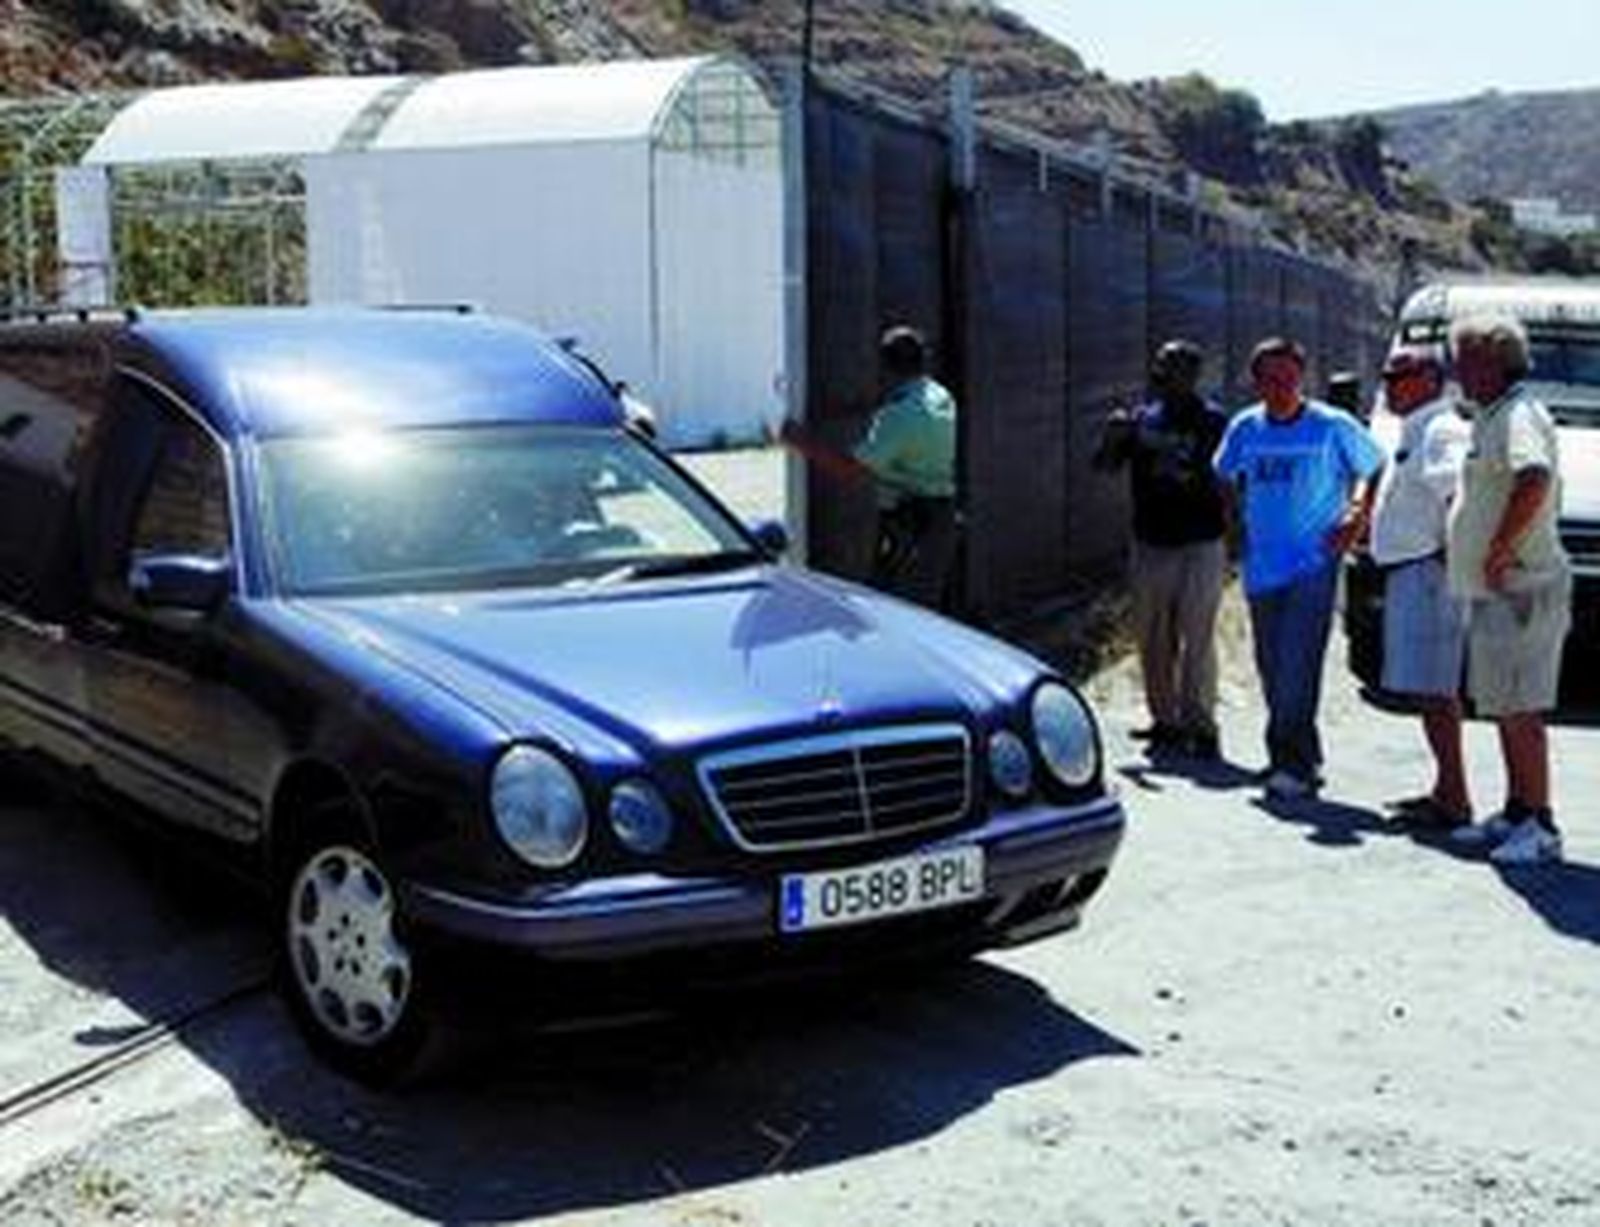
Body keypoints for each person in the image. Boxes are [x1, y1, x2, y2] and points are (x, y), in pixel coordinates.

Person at [1214, 337, 1385, 799]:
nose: (1282, 387)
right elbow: (1223, 475)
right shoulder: (1246, 426)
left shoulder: (1331, 425)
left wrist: (1356, 512)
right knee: (1272, 665)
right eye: (1271, 379)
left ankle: (1292, 764)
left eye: (1290, 378)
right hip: (1262, 564)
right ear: (1256, 382)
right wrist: (1235, 526)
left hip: (1313, 562)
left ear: (1302, 378)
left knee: (1298, 664)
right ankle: (1298, 757)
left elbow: (1373, 465)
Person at [1445, 315, 1571, 865]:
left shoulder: (1520, 414)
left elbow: (1534, 477)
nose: (1458, 371)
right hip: (1496, 590)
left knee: (1522, 710)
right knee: (1502, 704)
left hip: (1523, 584)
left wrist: (1499, 547)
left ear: (1495, 363)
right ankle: (1517, 810)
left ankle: (1541, 825)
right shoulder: (1491, 415)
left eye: (1467, 360)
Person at [1094, 339, 1229, 758]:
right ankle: (1165, 721)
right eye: (1162, 366)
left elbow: (1228, 478)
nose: (1165, 374)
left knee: (1197, 636)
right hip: (1152, 540)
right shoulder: (1141, 419)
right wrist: (1112, 438)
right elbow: (1105, 466)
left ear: (1194, 374)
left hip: (1201, 540)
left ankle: (1201, 724)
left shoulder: (1213, 421)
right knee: (1153, 637)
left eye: (1175, 367)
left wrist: (1236, 533)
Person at [1367, 349, 1474, 827]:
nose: (1390, 384)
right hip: (1414, 571)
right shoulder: (1415, 427)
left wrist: (1449, 555)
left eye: (1401, 376)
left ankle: (1455, 799)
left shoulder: (1440, 429)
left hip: (1429, 572)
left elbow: (1457, 492)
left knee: (1437, 691)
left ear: (1431, 379)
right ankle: (1446, 791)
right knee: (1429, 690)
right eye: (1387, 376)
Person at [780, 325, 958, 610]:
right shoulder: (940, 395)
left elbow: (850, 470)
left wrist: (799, 441)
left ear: (886, 367)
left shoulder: (899, 415)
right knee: (925, 600)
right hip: (940, 516)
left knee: (894, 605)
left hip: (913, 523)